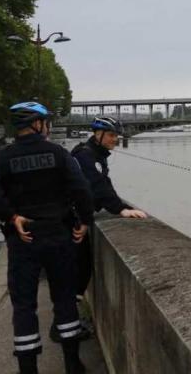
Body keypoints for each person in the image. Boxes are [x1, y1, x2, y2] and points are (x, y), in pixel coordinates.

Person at [0, 102, 94, 374]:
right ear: (37, 124)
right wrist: (85, 220)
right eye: (45, 121)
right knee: (65, 299)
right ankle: (73, 364)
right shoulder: (59, 154)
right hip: (58, 235)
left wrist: (10, 216)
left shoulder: (2, 156)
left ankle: (28, 369)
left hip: (23, 238)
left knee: (24, 306)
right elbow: (81, 189)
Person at [67, 117, 147, 327]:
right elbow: (97, 187)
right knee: (78, 270)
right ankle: (65, 322)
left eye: (117, 136)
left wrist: (121, 206)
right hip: (71, 219)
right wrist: (121, 209)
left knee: (79, 270)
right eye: (112, 135)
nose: (116, 140)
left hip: (77, 216)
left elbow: (104, 184)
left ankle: (68, 319)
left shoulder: (93, 154)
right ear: (98, 134)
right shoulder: (86, 156)